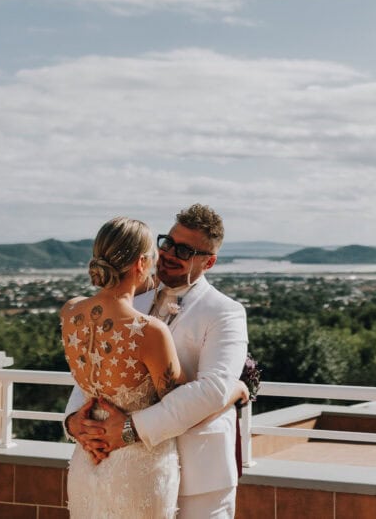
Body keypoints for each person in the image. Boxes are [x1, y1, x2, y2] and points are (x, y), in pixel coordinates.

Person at [65, 204, 249, 518]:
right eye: (167, 243)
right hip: (117, 466)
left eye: (185, 250)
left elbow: (212, 389)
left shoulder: (224, 312)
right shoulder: (129, 298)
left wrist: (128, 430)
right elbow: (96, 368)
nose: (169, 254)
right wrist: (74, 423)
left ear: (210, 261)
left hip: (199, 477)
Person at [61, 217, 182, 517]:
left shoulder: (70, 312)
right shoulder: (149, 331)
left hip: (88, 457)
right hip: (138, 467)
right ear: (141, 263)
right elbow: (178, 402)